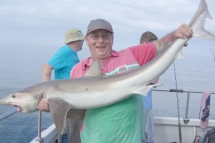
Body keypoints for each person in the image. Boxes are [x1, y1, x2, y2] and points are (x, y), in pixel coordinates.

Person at [38, 19, 192, 143]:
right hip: (94, 139)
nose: (100, 41)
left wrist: (176, 34)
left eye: (105, 36)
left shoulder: (131, 55)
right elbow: (79, 113)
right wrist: (55, 108)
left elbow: (160, 44)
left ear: (112, 38)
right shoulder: (77, 70)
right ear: (86, 40)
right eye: (95, 36)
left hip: (130, 139)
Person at [42, 28, 84, 143]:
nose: (83, 42)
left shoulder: (73, 54)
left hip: (75, 101)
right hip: (67, 102)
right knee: (75, 137)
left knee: (79, 133)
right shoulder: (65, 51)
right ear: (78, 40)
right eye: (82, 39)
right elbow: (46, 67)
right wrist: (47, 93)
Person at [140, 31, 159, 143]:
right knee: (147, 138)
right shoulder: (146, 59)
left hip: (136, 105)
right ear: (147, 43)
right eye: (154, 44)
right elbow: (155, 79)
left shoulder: (134, 58)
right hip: (145, 104)